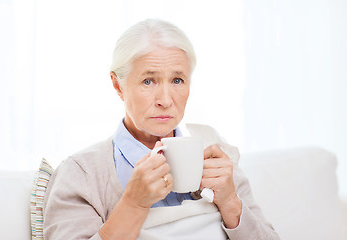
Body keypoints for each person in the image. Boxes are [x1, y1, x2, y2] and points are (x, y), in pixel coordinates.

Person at [43, 19, 280, 240]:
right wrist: (133, 204)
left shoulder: (217, 157)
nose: (165, 100)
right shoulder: (82, 174)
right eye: (149, 81)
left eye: (177, 80)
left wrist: (230, 201)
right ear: (118, 86)